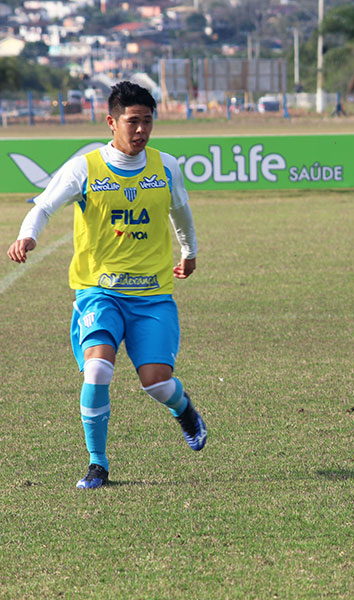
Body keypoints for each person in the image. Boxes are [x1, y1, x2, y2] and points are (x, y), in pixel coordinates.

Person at [7, 81, 207, 489]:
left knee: (157, 383)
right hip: (99, 291)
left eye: (147, 121)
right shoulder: (85, 168)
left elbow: (181, 213)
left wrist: (189, 252)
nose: (141, 130)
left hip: (152, 296)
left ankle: (183, 410)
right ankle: (97, 464)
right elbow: (43, 205)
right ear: (111, 122)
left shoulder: (166, 167)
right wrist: (27, 236)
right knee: (97, 369)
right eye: (133, 121)